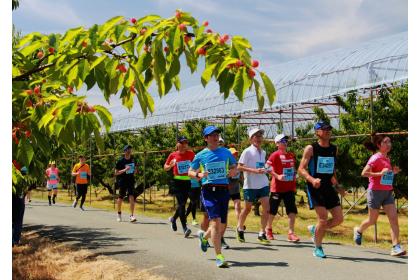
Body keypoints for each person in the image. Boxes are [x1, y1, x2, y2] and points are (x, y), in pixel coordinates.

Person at [189, 125, 237, 268]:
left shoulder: (226, 152)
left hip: (223, 190)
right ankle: (219, 256)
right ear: (206, 138)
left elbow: (235, 167)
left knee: (222, 225)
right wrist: (199, 175)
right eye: (212, 135)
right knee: (215, 222)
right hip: (209, 191)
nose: (215, 137)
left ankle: (204, 237)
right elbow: (190, 172)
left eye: (217, 134)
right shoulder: (200, 155)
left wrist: (232, 172)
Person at [298, 121, 346, 258]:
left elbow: (331, 171)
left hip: (328, 187)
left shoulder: (333, 148)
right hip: (315, 187)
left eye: (329, 129)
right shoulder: (311, 148)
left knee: (338, 219)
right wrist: (312, 180)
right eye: (324, 129)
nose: (327, 131)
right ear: (317, 132)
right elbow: (301, 169)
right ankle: (318, 247)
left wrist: (338, 186)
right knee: (323, 218)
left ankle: (316, 229)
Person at [353, 133, 406, 256]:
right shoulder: (375, 158)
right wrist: (380, 174)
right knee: (372, 220)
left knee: (394, 219)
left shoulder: (387, 158)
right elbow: (364, 173)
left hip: (387, 192)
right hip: (375, 192)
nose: (388, 145)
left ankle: (395, 246)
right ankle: (359, 230)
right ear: (379, 145)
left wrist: (393, 172)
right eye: (385, 142)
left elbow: (385, 175)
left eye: (389, 142)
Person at [236, 128, 270, 245]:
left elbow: (261, 166)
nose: (259, 138)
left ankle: (262, 233)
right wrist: (254, 171)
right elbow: (239, 167)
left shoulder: (264, 152)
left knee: (266, 208)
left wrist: (266, 169)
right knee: (247, 209)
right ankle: (240, 228)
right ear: (251, 139)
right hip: (250, 185)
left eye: (260, 135)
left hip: (263, 184)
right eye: (256, 136)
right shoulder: (247, 151)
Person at [265, 134, 300, 242]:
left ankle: (291, 233)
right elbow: (267, 167)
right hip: (277, 188)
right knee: (272, 210)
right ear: (277, 143)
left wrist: (295, 175)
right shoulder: (274, 155)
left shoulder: (291, 155)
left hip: (289, 187)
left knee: (292, 210)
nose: (285, 142)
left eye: (286, 140)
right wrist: (277, 176)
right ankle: (268, 229)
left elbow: (293, 168)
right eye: (282, 140)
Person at [164, 136, 195, 237]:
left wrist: (197, 172)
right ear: (177, 144)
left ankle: (173, 219)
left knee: (186, 203)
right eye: (182, 143)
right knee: (181, 204)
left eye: (186, 143)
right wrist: (171, 165)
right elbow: (165, 168)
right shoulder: (173, 155)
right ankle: (185, 228)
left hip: (188, 182)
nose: (184, 145)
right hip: (177, 182)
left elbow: (197, 164)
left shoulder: (191, 154)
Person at [115, 145, 137, 223]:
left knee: (131, 196)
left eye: (130, 150)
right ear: (124, 151)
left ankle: (131, 215)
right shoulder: (120, 161)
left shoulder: (133, 160)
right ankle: (119, 214)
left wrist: (135, 171)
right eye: (128, 150)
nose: (129, 151)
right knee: (120, 197)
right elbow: (116, 173)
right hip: (122, 181)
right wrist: (125, 169)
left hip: (131, 180)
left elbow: (135, 170)